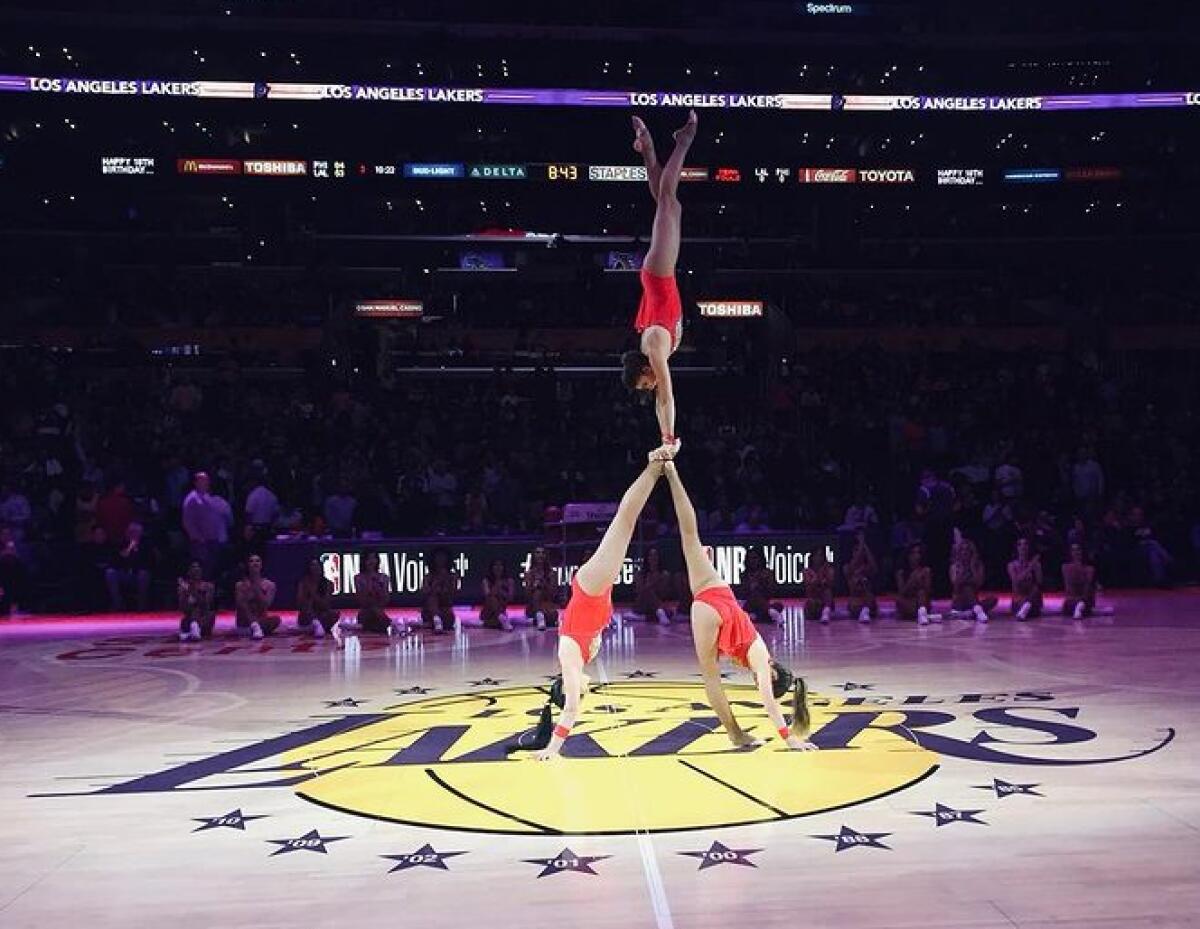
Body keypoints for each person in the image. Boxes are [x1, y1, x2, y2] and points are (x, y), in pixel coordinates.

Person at [661, 461, 816, 752]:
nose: (760, 686)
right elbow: (769, 702)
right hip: (711, 603)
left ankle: (735, 733)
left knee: (691, 539)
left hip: (715, 600)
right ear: (773, 673)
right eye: (765, 682)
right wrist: (788, 737)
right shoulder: (760, 658)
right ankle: (671, 472)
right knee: (690, 536)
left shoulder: (756, 658)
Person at [535, 461, 664, 760]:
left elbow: (570, 709)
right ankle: (654, 468)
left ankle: (653, 466)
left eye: (578, 690)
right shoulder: (581, 660)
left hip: (589, 588)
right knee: (626, 523)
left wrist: (552, 749)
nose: (584, 689)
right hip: (596, 592)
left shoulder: (568, 657)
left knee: (625, 520)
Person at [620, 109, 699, 462]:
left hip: (658, 274)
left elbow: (666, 395)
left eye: (644, 383)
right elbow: (659, 394)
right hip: (662, 275)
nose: (650, 387)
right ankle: (648, 148)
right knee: (667, 204)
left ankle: (683, 141)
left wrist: (668, 438)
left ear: (644, 370)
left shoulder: (654, 347)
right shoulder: (655, 353)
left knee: (669, 202)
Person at [345, 550, 402, 635]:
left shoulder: (384, 578)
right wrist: (369, 586)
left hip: (379, 612)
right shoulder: (358, 578)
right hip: (365, 613)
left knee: (377, 613)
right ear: (364, 561)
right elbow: (361, 601)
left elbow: (385, 600)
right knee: (372, 612)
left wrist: (379, 588)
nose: (371, 562)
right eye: (369, 559)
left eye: (373, 558)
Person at [182, 471, 224, 579]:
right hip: (200, 541)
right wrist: (197, 537)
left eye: (207, 481)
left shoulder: (206, 496)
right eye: (203, 481)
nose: (206, 483)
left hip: (212, 539)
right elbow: (187, 521)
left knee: (211, 568)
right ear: (196, 482)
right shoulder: (191, 498)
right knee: (200, 568)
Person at [104, 521, 153, 612]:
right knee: (110, 573)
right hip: (124, 574)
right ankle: (117, 603)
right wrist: (127, 551)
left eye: (136, 532)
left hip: (137, 575)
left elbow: (148, 563)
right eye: (131, 532)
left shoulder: (146, 545)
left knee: (144, 574)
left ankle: (141, 605)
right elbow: (114, 562)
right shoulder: (121, 543)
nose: (133, 535)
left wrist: (135, 550)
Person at [949, 530, 997, 622]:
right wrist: (963, 570)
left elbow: (978, 583)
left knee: (993, 599)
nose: (965, 552)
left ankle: (970, 613)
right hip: (959, 602)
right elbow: (956, 585)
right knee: (967, 588)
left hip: (973, 600)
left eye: (967, 550)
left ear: (972, 552)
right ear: (959, 552)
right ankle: (976, 612)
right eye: (962, 550)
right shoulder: (954, 566)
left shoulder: (978, 565)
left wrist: (972, 567)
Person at [234, 553, 280, 639]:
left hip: (261, 622)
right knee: (244, 603)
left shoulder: (270, 585)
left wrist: (256, 586)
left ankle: (256, 626)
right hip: (244, 624)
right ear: (248, 565)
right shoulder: (240, 585)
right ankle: (254, 625)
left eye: (257, 561)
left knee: (276, 620)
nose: (255, 563)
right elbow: (240, 605)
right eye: (251, 561)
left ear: (261, 565)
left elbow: (266, 604)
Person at [627, 545, 675, 626]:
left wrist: (657, 582)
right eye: (651, 555)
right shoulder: (640, 574)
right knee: (647, 591)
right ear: (647, 558)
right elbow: (640, 592)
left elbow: (664, 593)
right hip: (642, 604)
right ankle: (659, 612)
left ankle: (653, 614)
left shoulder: (664, 574)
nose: (653, 558)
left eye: (655, 555)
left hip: (658, 602)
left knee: (668, 611)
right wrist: (650, 584)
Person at [295, 557, 337, 639]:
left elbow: (326, 604)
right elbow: (299, 603)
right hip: (308, 613)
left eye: (317, 565)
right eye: (312, 565)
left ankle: (315, 625)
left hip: (322, 613)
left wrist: (313, 593)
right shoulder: (303, 582)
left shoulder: (328, 583)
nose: (315, 568)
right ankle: (315, 624)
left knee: (334, 615)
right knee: (308, 613)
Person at [740, 546, 783, 624]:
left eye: (755, 558)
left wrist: (760, 585)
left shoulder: (768, 573)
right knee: (752, 599)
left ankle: (756, 616)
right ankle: (768, 612)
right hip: (750, 604)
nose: (752, 561)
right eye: (750, 558)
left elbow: (771, 592)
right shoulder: (744, 575)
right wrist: (751, 588)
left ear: (760, 559)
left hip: (763, 602)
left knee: (778, 605)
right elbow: (743, 594)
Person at [421, 548, 459, 634]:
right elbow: (424, 592)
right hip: (430, 610)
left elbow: (453, 595)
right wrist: (436, 584)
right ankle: (436, 618)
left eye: (443, 557)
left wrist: (445, 584)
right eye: (438, 557)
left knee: (447, 620)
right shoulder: (428, 576)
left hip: (446, 607)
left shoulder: (453, 576)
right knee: (432, 598)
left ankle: (437, 619)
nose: (440, 559)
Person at [177, 560, 216, 642]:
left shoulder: (209, 586)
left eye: (198, 567)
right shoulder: (182, 588)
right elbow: (183, 608)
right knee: (194, 610)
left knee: (207, 613)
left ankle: (194, 628)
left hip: (205, 619)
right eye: (193, 567)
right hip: (189, 618)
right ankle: (193, 628)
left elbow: (206, 604)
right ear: (189, 571)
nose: (196, 569)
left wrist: (190, 590)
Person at [845, 531, 879, 624]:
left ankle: (865, 611)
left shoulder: (867, 567)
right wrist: (861, 543)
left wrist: (864, 546)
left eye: (861, 550)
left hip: (868, 601)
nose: (859, 552)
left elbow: (874, 568)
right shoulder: (847, 567)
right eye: (856, 550)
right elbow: (853, 565)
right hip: (855, 602)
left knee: (869, 596)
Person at [895, 543, 934, 624]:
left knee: (921, 593)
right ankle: (919, 613)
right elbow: (902, 592)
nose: (916, 556)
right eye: (913, 553)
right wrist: (911, 580)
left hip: (921, 601)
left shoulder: (926, 570)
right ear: (908, 555)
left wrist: (921, 582)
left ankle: (922, 614)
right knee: (899, 600)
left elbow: (929, 592)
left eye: (918, 553)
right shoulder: (901, 572)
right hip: (908, 602)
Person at [522, 545, 559, 631]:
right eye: (538, 553)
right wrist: (534, 586)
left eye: (543, 553)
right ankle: (539, 615)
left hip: (547, 603)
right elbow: (527, 594)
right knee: (537, 592)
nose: (540, 555)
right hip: (533, 605)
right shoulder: (529, 573)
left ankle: (541, 614)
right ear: (534, 555)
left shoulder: (552, 573)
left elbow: (553, 593)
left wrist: (545, 585)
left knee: (551, 616)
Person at [1007, 536, 1044, 620]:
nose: (1023, 547)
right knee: (1022, 602)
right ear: (1017, 548)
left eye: (1025, 544)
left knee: (1035, 589)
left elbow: (1040, 583)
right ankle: (1024, 608)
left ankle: (1026, 606)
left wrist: (1037, 568)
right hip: (1018, 600)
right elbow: (1016, 582)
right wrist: (1030, 567)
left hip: (1032, 599)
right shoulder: (1012, 565)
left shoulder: (1036, 564)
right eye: (1020, 544)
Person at [1062, 541, 1097, 620]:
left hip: (1084, 599)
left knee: (1084, 600)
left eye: (1078, 550)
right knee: (1071, 601)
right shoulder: (1065, 567)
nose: (1076, 552)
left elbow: (1087, 587)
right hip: (1071, 600)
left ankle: (1080, 606)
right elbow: (1069, 587)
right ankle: (1078, 606)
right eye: (1073, 550)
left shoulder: (1089, 569)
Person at [480, 558, 516, 631]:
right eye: (495, 565)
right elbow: (487, 595)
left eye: (500, 565)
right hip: (488, 611)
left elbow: (511, 597)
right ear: (491, 567)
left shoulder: (509, 581)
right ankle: (501, 617)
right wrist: (497, 586)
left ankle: (501, 617)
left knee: (495, 621)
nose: (498, 567)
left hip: (502, 607)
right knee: (492, 598)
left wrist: (501, 592)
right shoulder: (486, 581)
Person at [804, 546, 836, 624]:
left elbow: (830, 583)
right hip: (813, 601)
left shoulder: (829, 569)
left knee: (827, 591)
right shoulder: (807, 571)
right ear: (812, 557)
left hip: (825, 600)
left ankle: (826, 612)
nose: (819, 558)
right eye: (817, 555)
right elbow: (810, 585)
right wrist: (820, 576)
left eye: (821, 555)